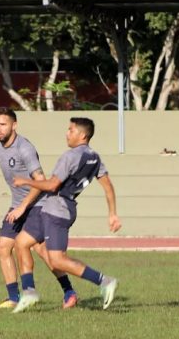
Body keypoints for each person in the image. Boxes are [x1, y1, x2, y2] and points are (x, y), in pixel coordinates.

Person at [11, 117, 121, 313]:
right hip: (50, 207)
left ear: (82, 135)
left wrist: (26, 182)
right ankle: (29, 292)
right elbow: (108, 187)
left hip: (58, 210)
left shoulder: (70, 156)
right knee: (21, 243)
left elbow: (52, 184)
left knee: (57, 260)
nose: (67, 133)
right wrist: (112, 214)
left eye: (71, 130)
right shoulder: (95, 158)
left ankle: (104, 280)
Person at [0, 107, 78, 309]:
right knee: (3, 248)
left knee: (43, 251)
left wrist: (23, 207)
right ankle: (13, 297)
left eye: (3, 124)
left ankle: (69, 292)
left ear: (14, 125)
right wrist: (19, 205)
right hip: (18, 206)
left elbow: (40, 180)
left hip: (38, 204)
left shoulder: (25, 148)